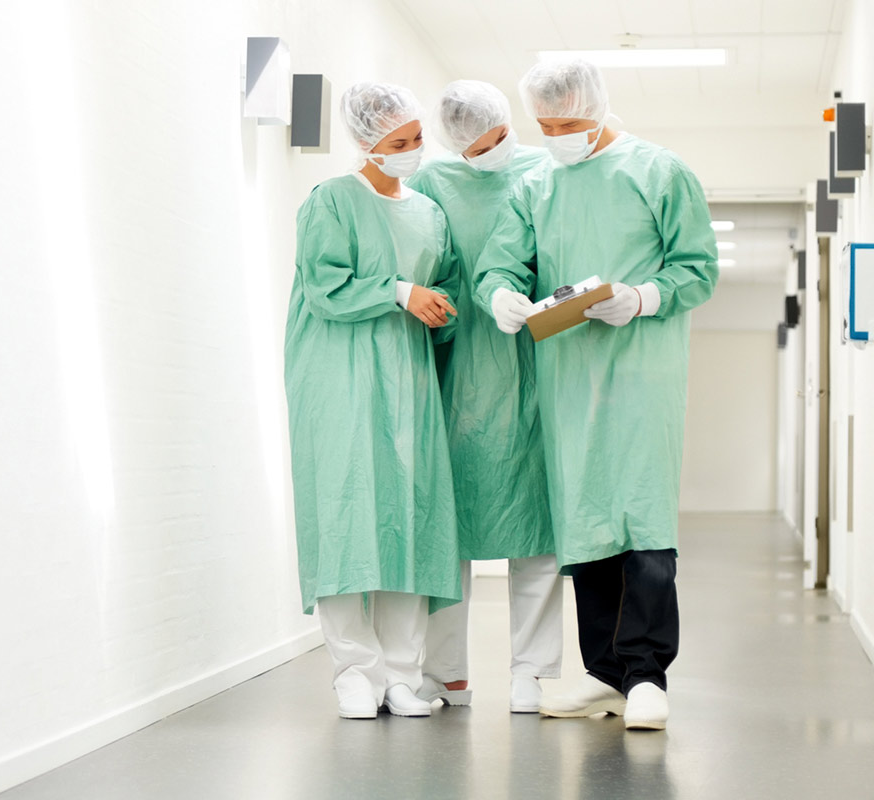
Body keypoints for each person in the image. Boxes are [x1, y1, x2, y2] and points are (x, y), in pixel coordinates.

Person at [473, 59, 719, 731]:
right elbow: (501, 259)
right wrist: (500, 294)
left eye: (570, 123)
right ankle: (604, 676)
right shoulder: (537, 184)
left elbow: (697, 268)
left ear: (601, 109)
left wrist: (643, 298)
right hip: (568, 374)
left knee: (639, 516)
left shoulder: (659, 172)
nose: (558, 136)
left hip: (642, 372)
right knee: (585, 519)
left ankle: (645, 674)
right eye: (547, 125)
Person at [284, 82, 463, 719]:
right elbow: (325, 289)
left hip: (407, 379)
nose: (412, 151)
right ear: (366, 143)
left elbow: (438, 283)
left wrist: (437, 306)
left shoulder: (427, 212)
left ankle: (400, 676)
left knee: (409, 522)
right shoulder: (331, 201)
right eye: (398, 143)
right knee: (346, 519)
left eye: (417, 139)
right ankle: (353, 673)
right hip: (339, 377)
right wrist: (397, 292)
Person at [405, 80, 562, 715]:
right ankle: (447, 675)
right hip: (456, 368)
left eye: (500, 136)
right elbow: (420, 263)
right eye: (477, 145)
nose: (494, 150)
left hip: (537, 361)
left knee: (539, 529)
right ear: (452, 144)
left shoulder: (548, 170)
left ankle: (532, 672)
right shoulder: (430, 184)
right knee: (450, 529)